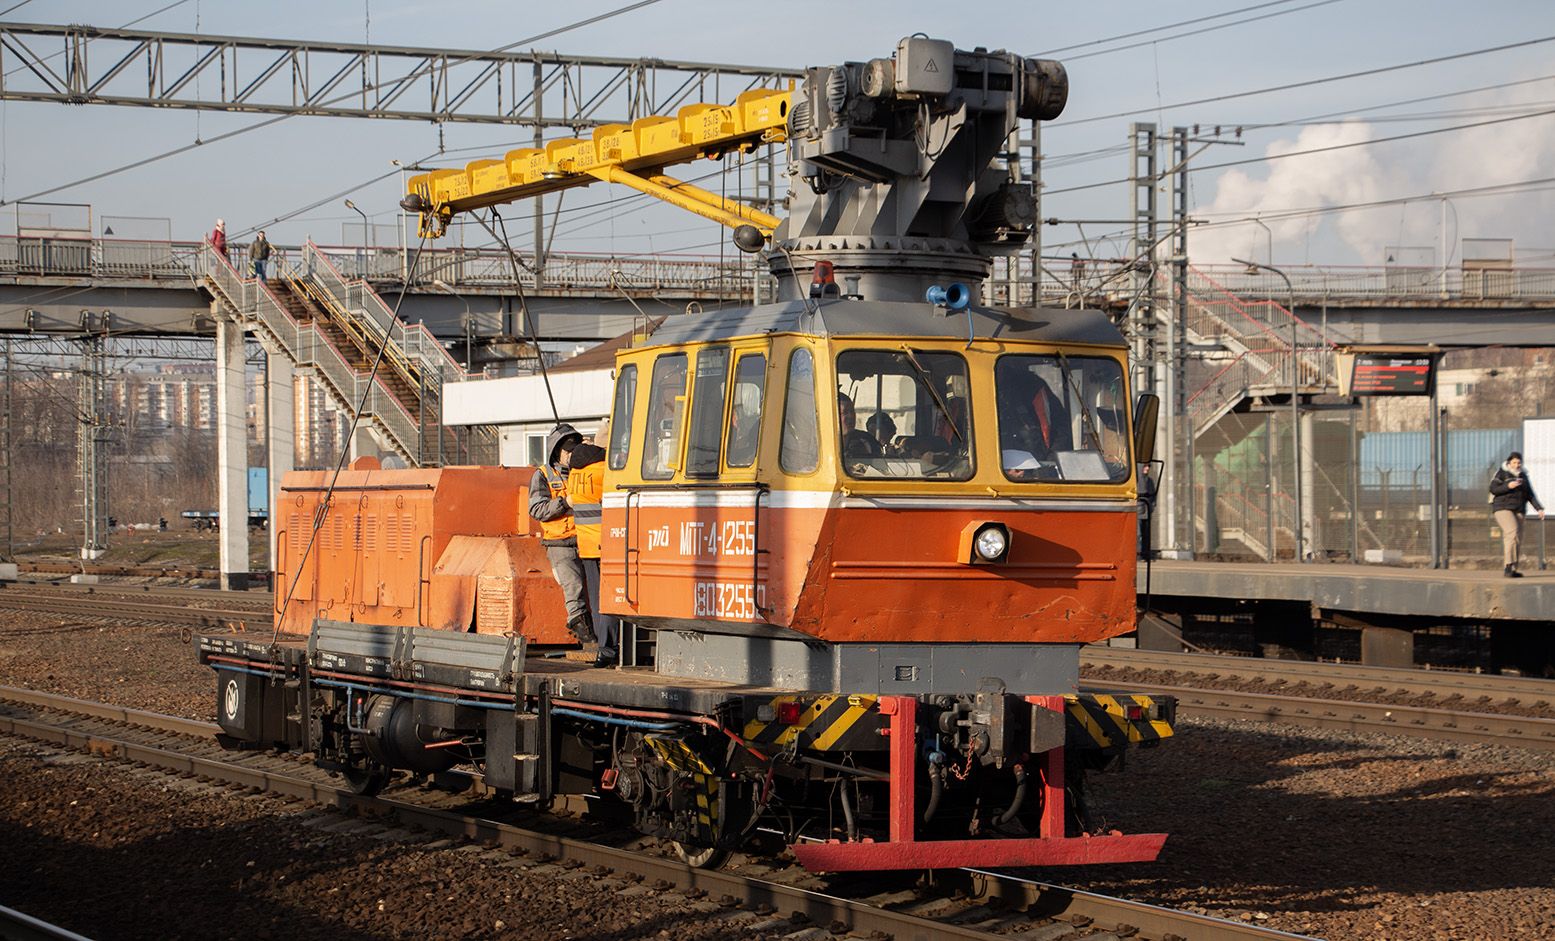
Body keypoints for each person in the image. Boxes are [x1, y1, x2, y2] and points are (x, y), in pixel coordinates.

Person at [529, 423, 591, 641]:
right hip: (559, 544)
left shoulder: (585, 471)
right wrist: (565, 502)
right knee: (574, 587)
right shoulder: (543, 475)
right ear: (556, 451)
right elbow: (536, 510)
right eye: (568, 451)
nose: (571, 455)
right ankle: (582, 630)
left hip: (587, 540)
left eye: (575, 449)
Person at [567, 440, 619, 666]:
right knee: (610, 598)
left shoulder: (574, 475)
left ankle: (602, 647)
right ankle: (608, 650)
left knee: (597, 599)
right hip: (608, 545)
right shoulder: (603, 472)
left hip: (586, 546)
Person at [1489, 450, 1545, 578]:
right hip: (1502, 508)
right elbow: (1493, 489)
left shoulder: (1524, 476)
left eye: (1519, 463)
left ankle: (1513, 569)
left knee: (1517, 538)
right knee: (1512, 532)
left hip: (1518, 509)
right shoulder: (1502, 473)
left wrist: (1539, 509)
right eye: (1514, 462)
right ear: (1509, 462)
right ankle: (1508, 565)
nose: (1517, 465)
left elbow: (1530, 494)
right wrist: (1509, 485)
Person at [838, 392, 881, 459]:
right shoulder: (820, 445)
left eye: (852, 412)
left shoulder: (867, 441)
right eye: (844, 412)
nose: (850, 416)